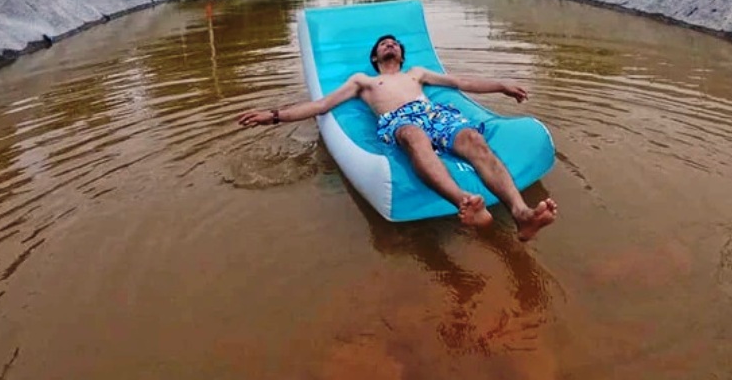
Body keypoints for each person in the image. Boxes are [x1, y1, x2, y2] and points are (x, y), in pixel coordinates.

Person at [237, 34, 558, 241]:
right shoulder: (363, 80)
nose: (389, 44)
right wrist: (274, 115)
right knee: (412, 135)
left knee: (474, 140)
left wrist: (501, 84)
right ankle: (465, 202)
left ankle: (522, 214)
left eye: (394, 43)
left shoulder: (416, 73)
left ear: (401, 56)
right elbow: (321, 104)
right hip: (399, 121)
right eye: (383, 43)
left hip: (435, 114)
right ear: (375, 57)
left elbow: (460, 81)